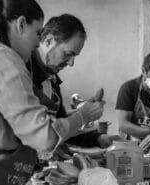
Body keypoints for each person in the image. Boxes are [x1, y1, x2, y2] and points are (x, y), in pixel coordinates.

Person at [0, 0, 103, 185]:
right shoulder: (1, 57)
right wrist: (82, 116)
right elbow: (45, 137)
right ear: (21, 24)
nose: (37, 42)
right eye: (38, 33)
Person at [27, 14, 115, 150]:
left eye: (74, 56)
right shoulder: (24, 70)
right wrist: (83, 115)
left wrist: (97, 138)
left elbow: (63, 125)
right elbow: (37, 132)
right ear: (49, 40)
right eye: (68, 53)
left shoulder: (52, 79)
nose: (71, 63)